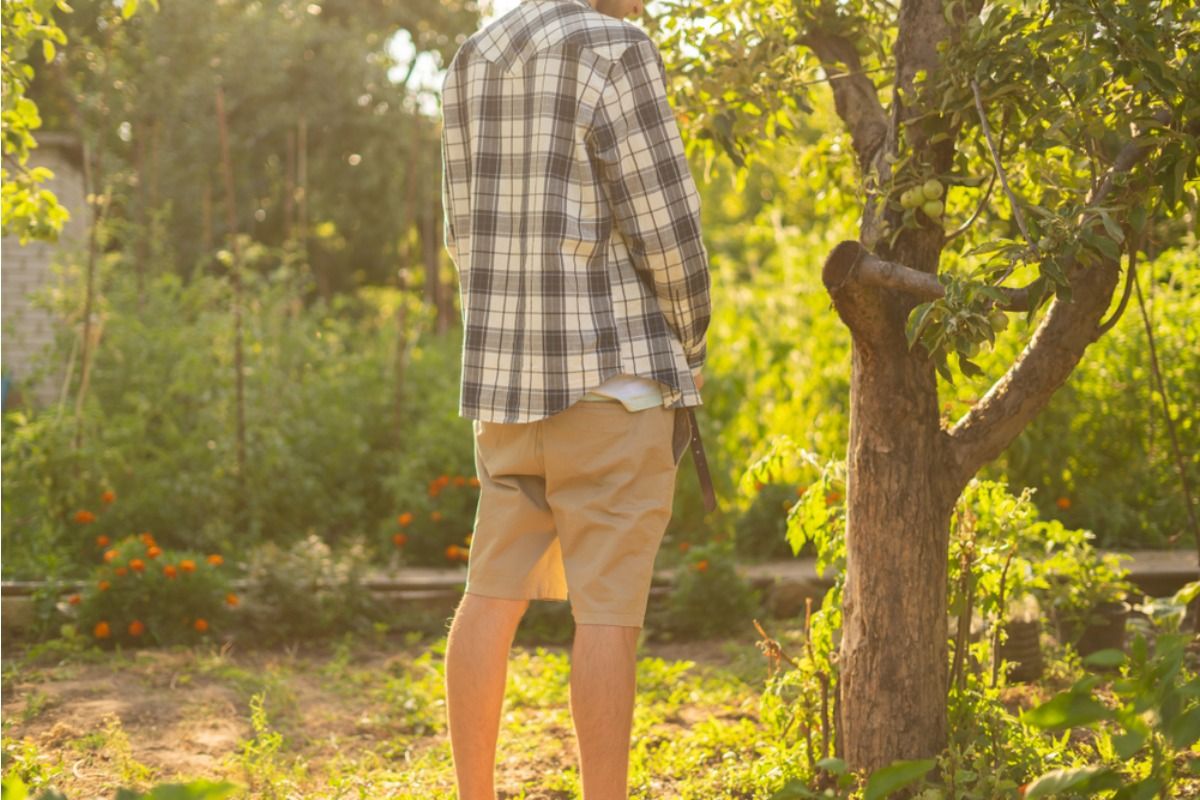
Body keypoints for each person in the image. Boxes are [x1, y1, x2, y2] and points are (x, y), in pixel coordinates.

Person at [438, 0, 712, 797]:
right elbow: (669, 233)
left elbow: (461, 230)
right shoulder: (615, 48)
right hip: (611, 387)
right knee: (607, 615)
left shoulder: (473, 55)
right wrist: (691, 345)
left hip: (507, 394)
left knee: (489, 598)